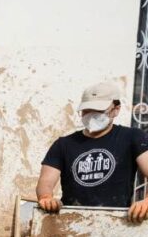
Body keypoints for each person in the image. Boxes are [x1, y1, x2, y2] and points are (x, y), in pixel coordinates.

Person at [35, 81, 148, 221]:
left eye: (99, 110)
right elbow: (45, 183)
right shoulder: (63, 144)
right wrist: (46, 198)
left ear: (116, 109)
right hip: (71, 222)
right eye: (87, 110)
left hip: (117, 221)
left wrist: (146, 202)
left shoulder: (132, 137)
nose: (92, 115)